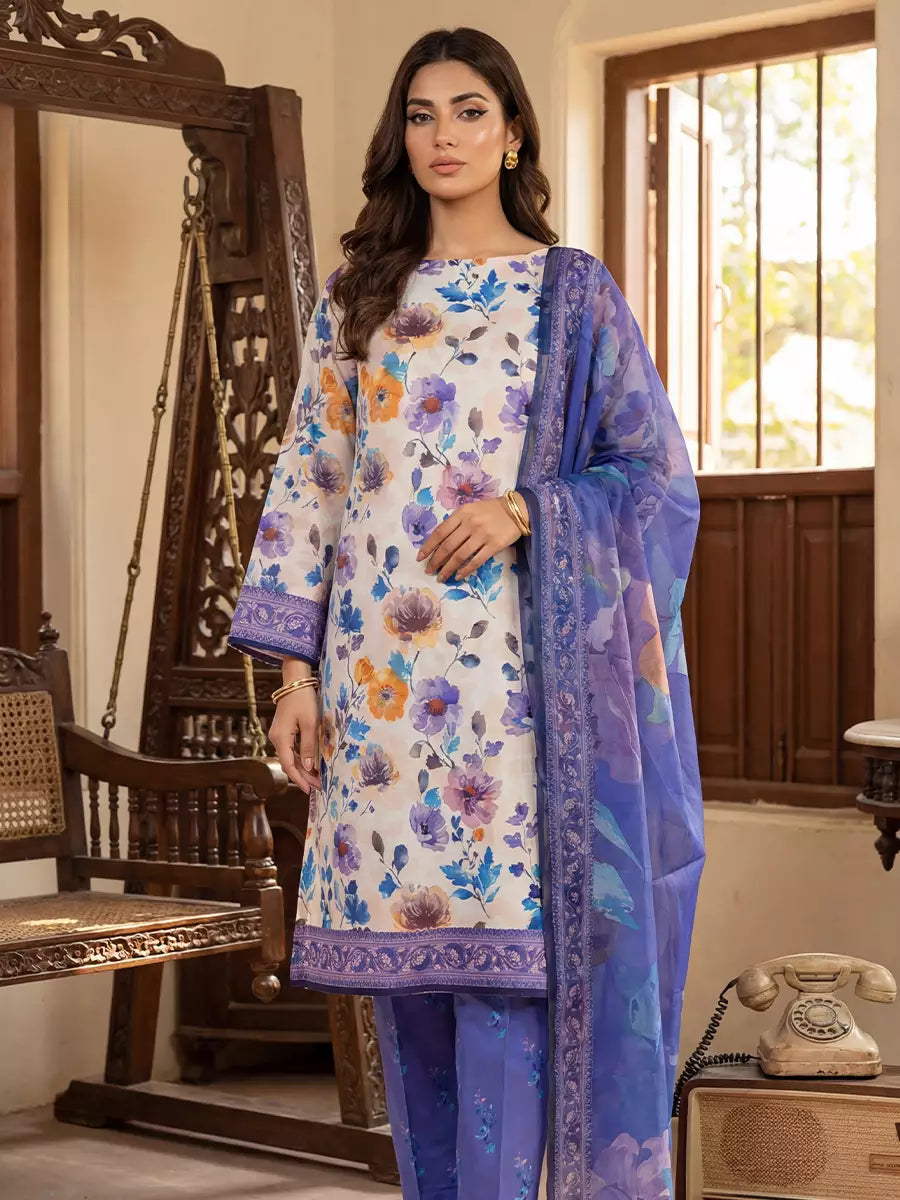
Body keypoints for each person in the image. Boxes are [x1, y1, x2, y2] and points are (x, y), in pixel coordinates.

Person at [228, 25, 705, 1200]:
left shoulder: (569, 294)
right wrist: (292, 681)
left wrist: (527, 509)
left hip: (516, 698)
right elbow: (309, 486)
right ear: (401, 136)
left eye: (470, 111)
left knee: (504, 978)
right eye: (422, 114)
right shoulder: (361, 297)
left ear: (513, 132)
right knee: (411, 989)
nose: (443, 135)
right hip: (374, 698)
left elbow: (653, 476)